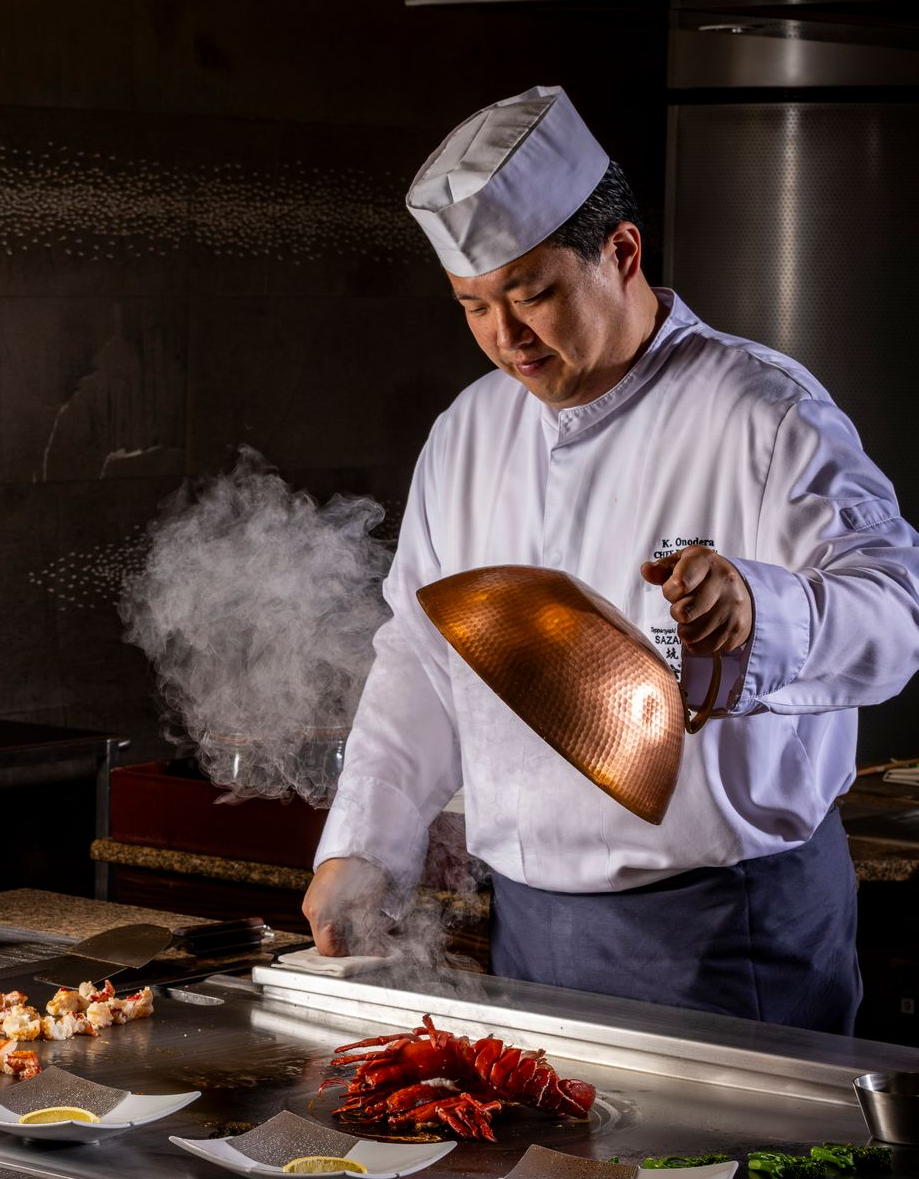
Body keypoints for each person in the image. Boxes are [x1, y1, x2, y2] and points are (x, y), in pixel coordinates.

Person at [301, 85, 919, 1032]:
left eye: (533, 293)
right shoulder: (467, 433)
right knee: (550, 1177)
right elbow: (423, 659)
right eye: (474, 306)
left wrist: (763, 607)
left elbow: (895, 614)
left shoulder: (762, 413)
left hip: (727, 927)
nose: (507, 337)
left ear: (621, 252)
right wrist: (363, 847)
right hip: (530, 928)